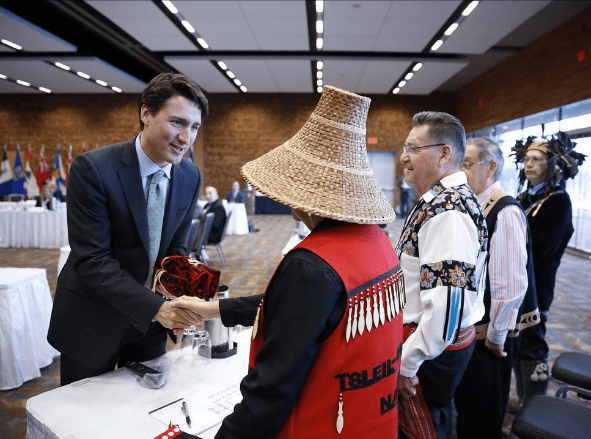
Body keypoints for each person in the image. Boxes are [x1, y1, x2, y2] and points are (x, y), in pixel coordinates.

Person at [172, 85, 403, 438]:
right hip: (370, 421)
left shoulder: (310, 266)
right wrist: (212, 310)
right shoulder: (377, 241)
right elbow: (303, 313)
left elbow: (271, 392)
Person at [47, 72, 208, 386]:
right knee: (84, 423)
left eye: (195, 127)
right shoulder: (93, 169)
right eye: (177, 122)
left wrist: (190, 290)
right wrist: (157, 306)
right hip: (93, 320)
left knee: (145, 411)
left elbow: (175, 249)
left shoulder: (189, 175)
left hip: (149, 326)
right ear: (145, 113)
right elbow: (93, 261)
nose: (186, 138)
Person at [396, 111, 488, 439]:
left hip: (430, 351)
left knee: (426, 430)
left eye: (413, 148)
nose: (403, 157)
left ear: (444, 153)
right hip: (431, 345)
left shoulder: (448, 211)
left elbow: (448, 307)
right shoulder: (440, 200)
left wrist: (408, 364)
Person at [454, 137, 541, 438]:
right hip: (476, 328)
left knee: (484, 412)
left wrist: (497, 335)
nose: (460, 172)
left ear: (490, 167)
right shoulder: (479, 204)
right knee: (470, 405)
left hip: (492, 335)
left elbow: (510, 284)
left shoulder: (504, 210)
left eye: (466, 165)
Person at [511, 133, 586, 404]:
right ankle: (523, 399)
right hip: (516, 283)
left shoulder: (558, 201)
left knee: (532, 345)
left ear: (554, 165)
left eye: (537, 159)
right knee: (515, 342)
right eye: (526, 159)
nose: (528, 164)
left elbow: (541, 250)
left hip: (537, 285)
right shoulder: (524, 196)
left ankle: (534, 403)